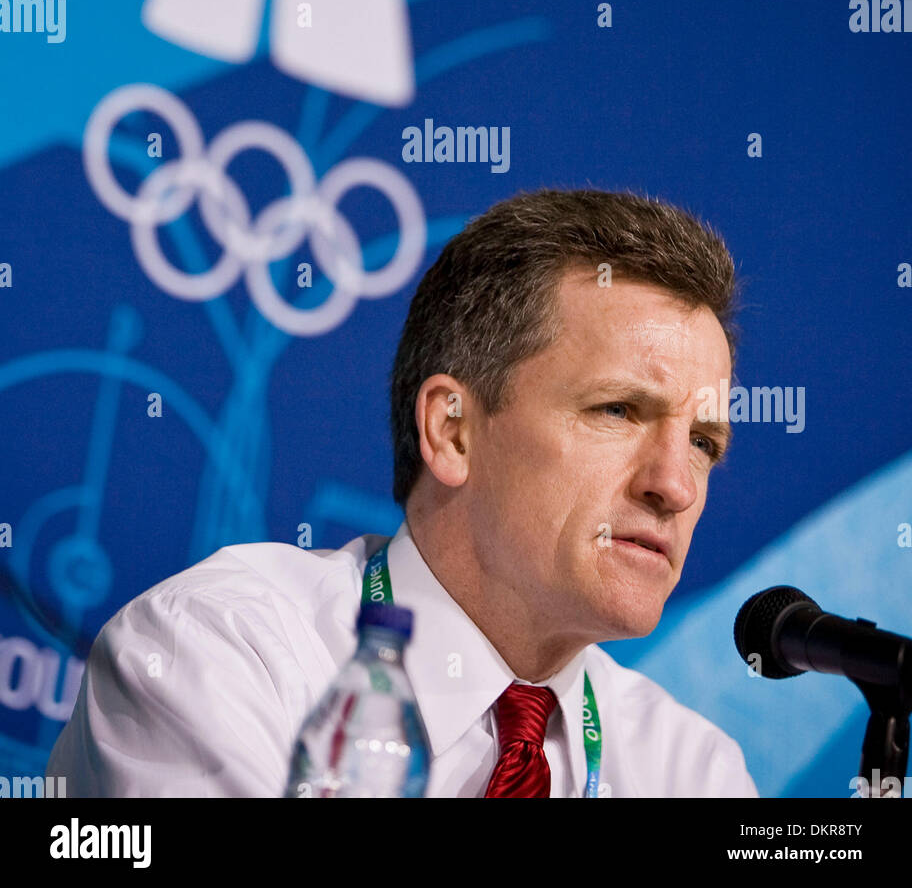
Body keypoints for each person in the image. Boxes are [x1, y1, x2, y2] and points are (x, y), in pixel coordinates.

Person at [47, 187, 758, 798]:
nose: (674, 486)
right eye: (618, 411)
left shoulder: (690, 771)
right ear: (452, 432)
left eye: (703, 443)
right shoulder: (222, 649)